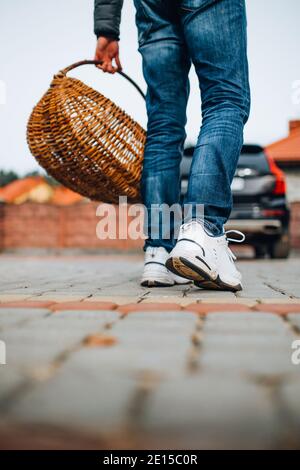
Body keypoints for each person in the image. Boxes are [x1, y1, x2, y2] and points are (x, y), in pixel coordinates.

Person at [94, 0, 250, 291]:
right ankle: (202, 233)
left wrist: (106, 29)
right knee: (225, 100)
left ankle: (159, 250)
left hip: (152, 7)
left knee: (163, 124)